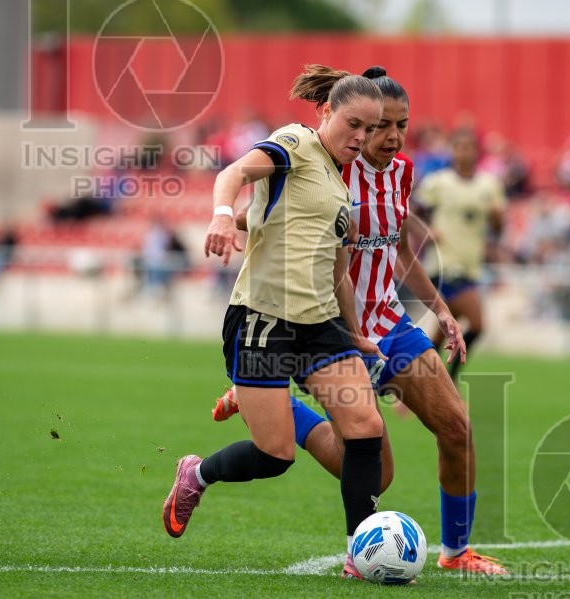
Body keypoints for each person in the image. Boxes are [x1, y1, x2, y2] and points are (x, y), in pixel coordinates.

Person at [214, 67, 508, 576]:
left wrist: (439, 308)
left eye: (401, 125)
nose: (390, 136)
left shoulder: (401, 172)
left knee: (457, 428)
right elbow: (266, 208)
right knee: (380, 473)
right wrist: (231, 218)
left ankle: (457, 553)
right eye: (380, 126)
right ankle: (271, 401)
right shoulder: (330, 162)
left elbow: (395, 249)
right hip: (332, 326)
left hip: (389, 325)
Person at [162, 65, 387, 577]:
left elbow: (339, 273)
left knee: (365, 428)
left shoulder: (339, 184)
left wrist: (353, 331)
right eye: (353, 124)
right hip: (263, 318)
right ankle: (197, 474)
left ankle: (361, 552)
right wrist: (223, 213)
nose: (361, 137)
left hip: (320, 324)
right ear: (325, 111)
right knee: (275, 455)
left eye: (370, 130)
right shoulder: (295, 142)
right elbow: (235, 174)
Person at [414, 128, 506, 380]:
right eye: (459, 147)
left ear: (476, 152)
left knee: (444, 329)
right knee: (477, 324)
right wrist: (426, 230)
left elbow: (498, 228)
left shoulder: (489, 185)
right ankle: (450, 382)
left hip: (471, 265)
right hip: (444, 263)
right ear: (452, 151)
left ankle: (417, 383)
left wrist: (498, 219)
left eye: (469, 147)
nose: (464, 152)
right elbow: (411, 214)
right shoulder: (438, 182)